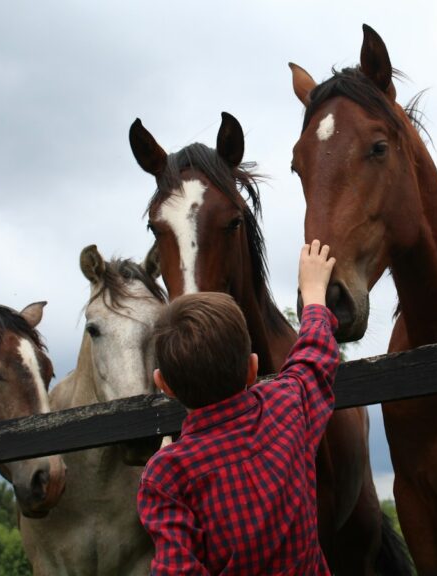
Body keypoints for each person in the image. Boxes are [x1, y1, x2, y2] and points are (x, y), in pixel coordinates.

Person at [137, 239, 339, 575]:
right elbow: (314, 358)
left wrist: (164, 460)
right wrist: (314, 296)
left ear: (164, 385)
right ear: (252, 368)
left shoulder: (167, 476)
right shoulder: (286, 408)